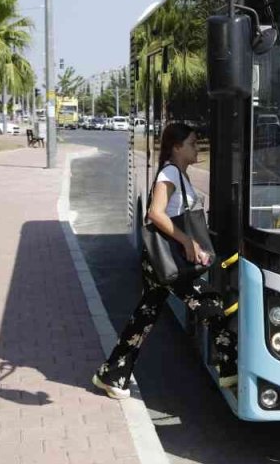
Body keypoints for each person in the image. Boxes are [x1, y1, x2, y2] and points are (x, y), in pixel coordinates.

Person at [92, 123, 237, 400]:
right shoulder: (170, 173)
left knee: (144, 317)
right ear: (177, 147)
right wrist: (188, 241)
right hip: (168, 260)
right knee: (212, 303)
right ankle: (230, 369)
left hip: (161, 261)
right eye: (192, 143)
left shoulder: (179, 174)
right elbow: (155, 213)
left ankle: (111, 375)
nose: (197, 148)